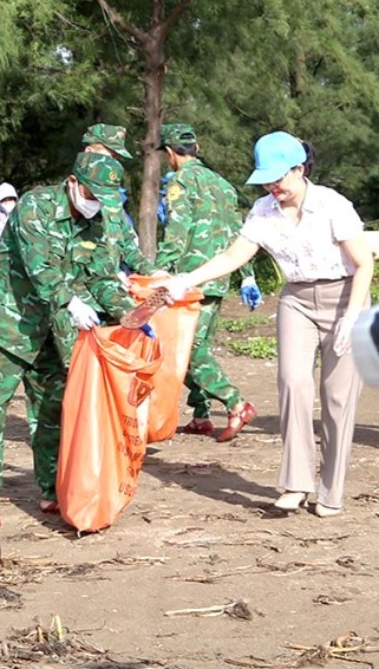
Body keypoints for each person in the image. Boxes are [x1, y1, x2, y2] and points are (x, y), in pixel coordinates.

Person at [157, 132, 373, 517]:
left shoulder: (331, 205)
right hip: (296, 301)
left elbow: (364, 264)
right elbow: (233, 255)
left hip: (344, 296)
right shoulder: (263, 210)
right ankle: (296, 483)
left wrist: (353, 314)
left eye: (279, 178)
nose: (273, 187)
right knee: (292, 383)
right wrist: (185, 280)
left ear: (299, 169)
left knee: (338, 398)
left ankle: (330, 489)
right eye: (266, 180)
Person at [0, 154, 137, 528]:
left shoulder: (98, 222)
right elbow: (40, 267)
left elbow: (104, 277)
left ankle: (52, 489)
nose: (97, 202)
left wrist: (129, 313)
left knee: (52, 415)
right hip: (9, 325)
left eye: (105, 197)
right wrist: (71, 301)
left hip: (55, 334)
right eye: (92, 192)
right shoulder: (35, 206)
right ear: (73, 181)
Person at [154, 124, 256, 440]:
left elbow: (176, 231)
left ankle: (235, 402)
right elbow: (241, 232)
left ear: (170, 153)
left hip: (189, 278)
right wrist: (246, 274)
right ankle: (200, 414)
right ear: (196, 149)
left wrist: (159, 272)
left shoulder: (181, 182)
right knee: (198, 345)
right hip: (219, 275)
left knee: (188, 350)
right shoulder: (223, 185)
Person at [82, 124, 156, 274]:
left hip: (109, 291)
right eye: (110, 156)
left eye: (117, 158)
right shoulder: (70, 199)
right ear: (89, 153)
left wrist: (153, 272)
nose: (114, 164)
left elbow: (128, 245)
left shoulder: (114, 200)